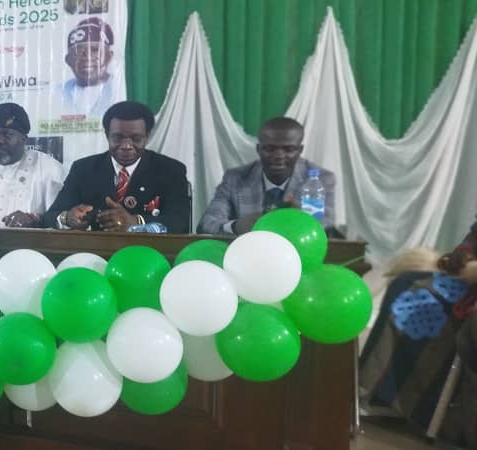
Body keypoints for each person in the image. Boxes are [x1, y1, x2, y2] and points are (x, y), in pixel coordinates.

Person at [359, 222, 477, 447]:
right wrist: (463, 255)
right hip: (469, 281)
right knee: (409, 284)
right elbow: (473, 238)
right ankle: (387, 394)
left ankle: (438, 412)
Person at [42, 101, 190, 233]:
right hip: (95, 251)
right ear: (107, 135)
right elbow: (49, 217)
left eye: (136, 139)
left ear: (147, 136)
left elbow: (180, 223)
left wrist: (136, 223)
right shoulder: (83, 169)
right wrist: (67, 218)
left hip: (148, 251)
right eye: (117, 138)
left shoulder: (171, 171)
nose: (126, 146)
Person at [197, 117, 336, 235]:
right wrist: (235, 226)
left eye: (288, 149)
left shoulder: (321, 179)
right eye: (270, 148)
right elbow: (206, 224)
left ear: (300, 150)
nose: (279, 156)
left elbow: (327, 228)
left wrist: (304, 221)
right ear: (259, 149)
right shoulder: (236, 178)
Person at [57, 18, 117, 117]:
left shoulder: (120, 87)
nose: (87, 57)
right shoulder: (56, 93)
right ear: (68, 60)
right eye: (78, 51)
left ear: (109, 56)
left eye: (95, 50)